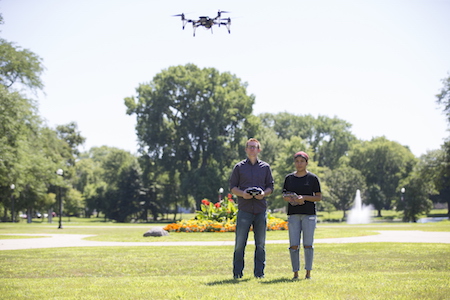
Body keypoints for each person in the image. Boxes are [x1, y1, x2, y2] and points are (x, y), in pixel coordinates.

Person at [229, 138, 274, 279]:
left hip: (260, 210)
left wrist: (263, 194)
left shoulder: (265, 167)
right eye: (250, 147)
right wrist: (242, 194)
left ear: (259, 150)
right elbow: (232, 188)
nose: (252, 149)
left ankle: (259, 273)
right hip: (244, 210)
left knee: (260, 244)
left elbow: (271, 187)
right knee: (239, 244)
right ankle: (237, 273)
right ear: (246, 149)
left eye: (255, 147)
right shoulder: (239, 167)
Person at [282, 151, 322, 280]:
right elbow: (284, 196)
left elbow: (318, 197)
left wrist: (304, 198)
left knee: (308, 244)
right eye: (297, 161)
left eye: (302, 161)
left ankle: (308, 273)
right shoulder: (289, 178)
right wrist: (292, 198)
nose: (299, 164)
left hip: (309, 215)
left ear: (306, 163)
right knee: (294, 245)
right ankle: (295, 273)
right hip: (293, 215)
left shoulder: (312, 178)